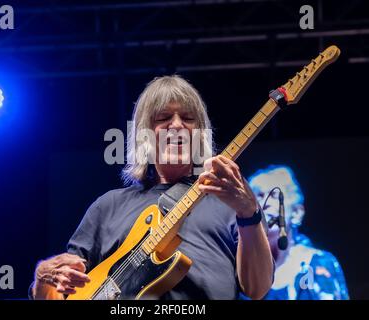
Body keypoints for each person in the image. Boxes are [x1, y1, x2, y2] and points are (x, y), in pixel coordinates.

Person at [30, 75, 274, 300]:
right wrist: (42, 278)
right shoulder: (108, 206)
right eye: (163, 118)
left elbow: (257, 288)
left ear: (200, 134)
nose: (177, 125)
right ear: (144, 133)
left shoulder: (231, 203)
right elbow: (59, 291)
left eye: (188, 118)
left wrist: (248, 212)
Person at [248, 165, 349, 300]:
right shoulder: (245, 271)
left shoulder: (317, 263)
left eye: (274, 195)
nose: (265, 203)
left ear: (296, 213)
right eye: (259, 196)